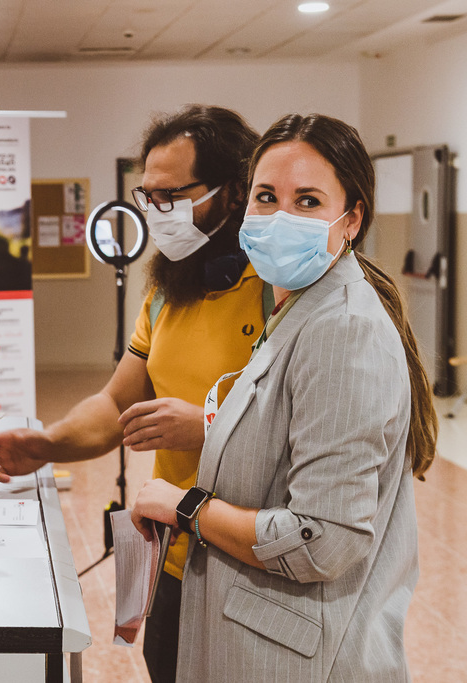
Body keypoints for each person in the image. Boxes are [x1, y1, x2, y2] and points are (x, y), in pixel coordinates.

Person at [130, 113, 436, 681]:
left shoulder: (343, 330)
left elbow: (321, 541)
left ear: (352, 220)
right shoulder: (294, 308)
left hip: (304, 658)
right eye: (267, 196)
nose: (280, 218)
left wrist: (187, 507)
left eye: (309, 201)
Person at [0, 105, 264, 682]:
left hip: (251, 565)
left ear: (233, 193)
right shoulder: (166, 291)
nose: (157, 213)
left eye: (172, 196)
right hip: (176, 555)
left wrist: (208, 426)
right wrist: (50, 442)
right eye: (148, 196)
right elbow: (116, 404)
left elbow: (304, 427)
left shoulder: (276, 291)